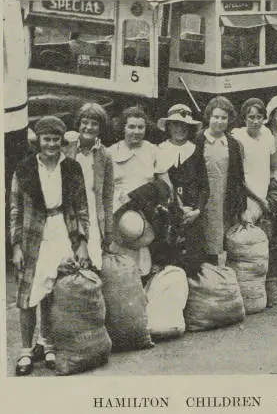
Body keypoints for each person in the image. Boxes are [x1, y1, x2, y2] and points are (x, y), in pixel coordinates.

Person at [10, 116, 90, 375]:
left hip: (62, 232)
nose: (52, 145)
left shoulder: (71, 168)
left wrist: (82, 243)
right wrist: (16, 246)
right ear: (38, 141)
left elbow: (81, 208)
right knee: (29, 294)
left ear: (62, 141)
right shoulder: (24, 169)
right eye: (47, 139)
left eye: (56, 140)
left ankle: (47, 344)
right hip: (34, 234)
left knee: (54, 291)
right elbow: (15, 210)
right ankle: (25, 351)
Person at [154, 103, 208, 272]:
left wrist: (197, 211)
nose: (180, 129)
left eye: (184, 125)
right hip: (167, 215)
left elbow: (204, 186)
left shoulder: (195, 151)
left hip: (191, 215)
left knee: (192, 263)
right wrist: (173, 209)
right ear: (168, 127)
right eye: (176, 124)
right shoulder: (158, 150)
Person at [195, 96, 247, 264]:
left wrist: (242, 207)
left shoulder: (232, 144)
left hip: (225, 197)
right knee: (204, 238)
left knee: (223, 239)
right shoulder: (198, 140)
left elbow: (239, 177)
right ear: (208, 117)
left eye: (223, 118)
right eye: (215, 117)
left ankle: (219, 277)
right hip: (204, 198)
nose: (219, 121)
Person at [65, 103, 114, 269]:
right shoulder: (66, 149)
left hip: (93, 213)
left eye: (94, 123)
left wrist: (108, 230)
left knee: (90, 262)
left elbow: (107, 195)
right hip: (69, 211)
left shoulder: (104, 155)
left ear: (100, 128)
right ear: (78, 124)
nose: (89, 127)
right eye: (85, 122)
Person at [109, 107, 172, 213]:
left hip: (147, 207)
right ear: (123, 128)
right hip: (118, 206)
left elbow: (166, 185)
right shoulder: (111, 152)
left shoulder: (153, 151)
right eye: (131, 127)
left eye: (140, 127)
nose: (136, 131)